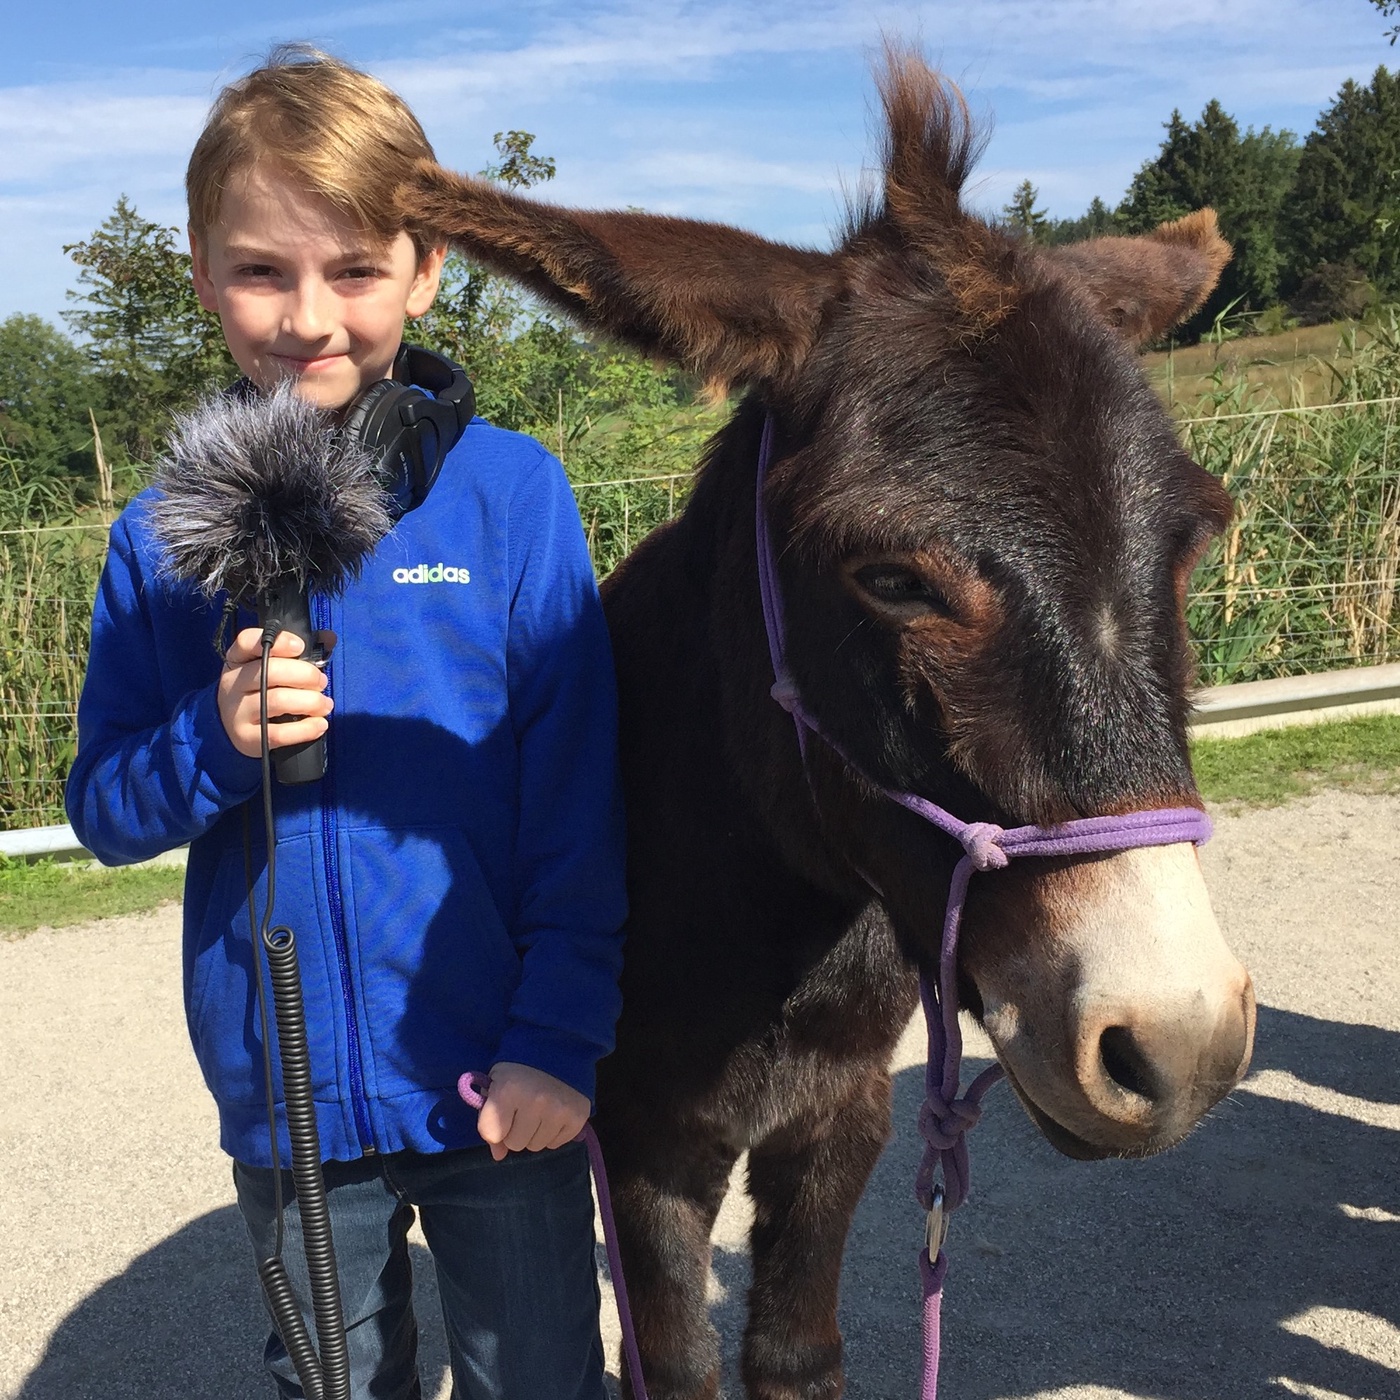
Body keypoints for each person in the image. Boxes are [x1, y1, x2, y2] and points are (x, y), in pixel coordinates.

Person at [65, 45, 626, 1400]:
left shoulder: (509, 497)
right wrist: (214, 738)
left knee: (540, 1379)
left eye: (356, 270)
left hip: (500, 1083)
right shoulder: (156, 540)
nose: (308, 316)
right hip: (291, 1103)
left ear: (425, 270)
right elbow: (104, 809)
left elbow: (581, 799)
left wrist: (556, 1042)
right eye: (260, 270)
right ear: (203, 277)